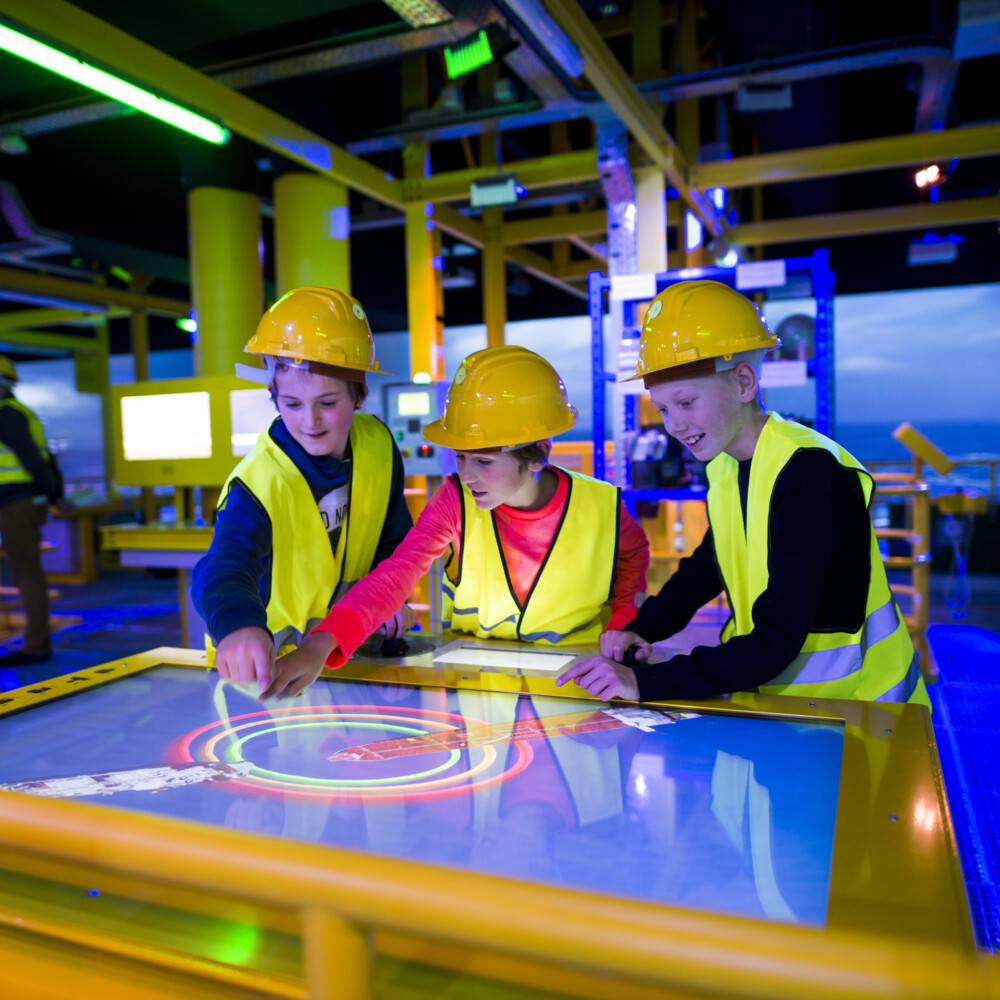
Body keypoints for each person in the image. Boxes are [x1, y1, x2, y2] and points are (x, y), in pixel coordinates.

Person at [558, 279, 930, 710]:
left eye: (686, 401)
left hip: (861, 713)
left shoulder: (812, 472)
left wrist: (644, 683)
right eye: (663, 409)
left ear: (743, 382)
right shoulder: (725, 464)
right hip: (785, 705)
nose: (674, 425)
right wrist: (644, 628)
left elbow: (776, 640)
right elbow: (710, 564)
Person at [268, 345, 650, 698]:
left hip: (577, 681)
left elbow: (634, 557)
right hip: (477, 682)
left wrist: (624, 619)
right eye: (461, 457)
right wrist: (322, 643)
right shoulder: (454, 501)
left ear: (538, 456)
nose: (467, 475)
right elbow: (396, 575)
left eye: (484, 461)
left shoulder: (601, 504)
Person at [192, 286, 414, 698]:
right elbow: (223, 564)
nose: (310, 421)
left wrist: (390, 597)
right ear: (273, 395)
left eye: (327, 402)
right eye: (292, 404)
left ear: (359, 393)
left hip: (346, 648)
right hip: (265, 667)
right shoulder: (258, 479)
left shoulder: (379, 445)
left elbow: (395, 541)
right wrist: (238, 624)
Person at [0, 354, 72, 666]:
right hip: (19, 500)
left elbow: (33, 461)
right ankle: (36, 643)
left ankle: (36, 645)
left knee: (26, 573)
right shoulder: (15, 412)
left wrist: (53, 496)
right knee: (25, 571)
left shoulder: (7, 415)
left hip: (16, 502)